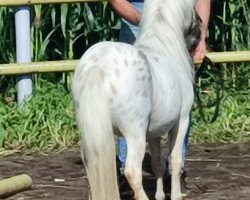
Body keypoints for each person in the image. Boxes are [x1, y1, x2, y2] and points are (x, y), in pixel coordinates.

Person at [110, 0, 211, 193]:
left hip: (176, 17)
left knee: (178, 96)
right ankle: (127, 170)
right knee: (128, 97)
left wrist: (201, 36)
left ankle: (175, 172)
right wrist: (149, 22)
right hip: (139, 16)